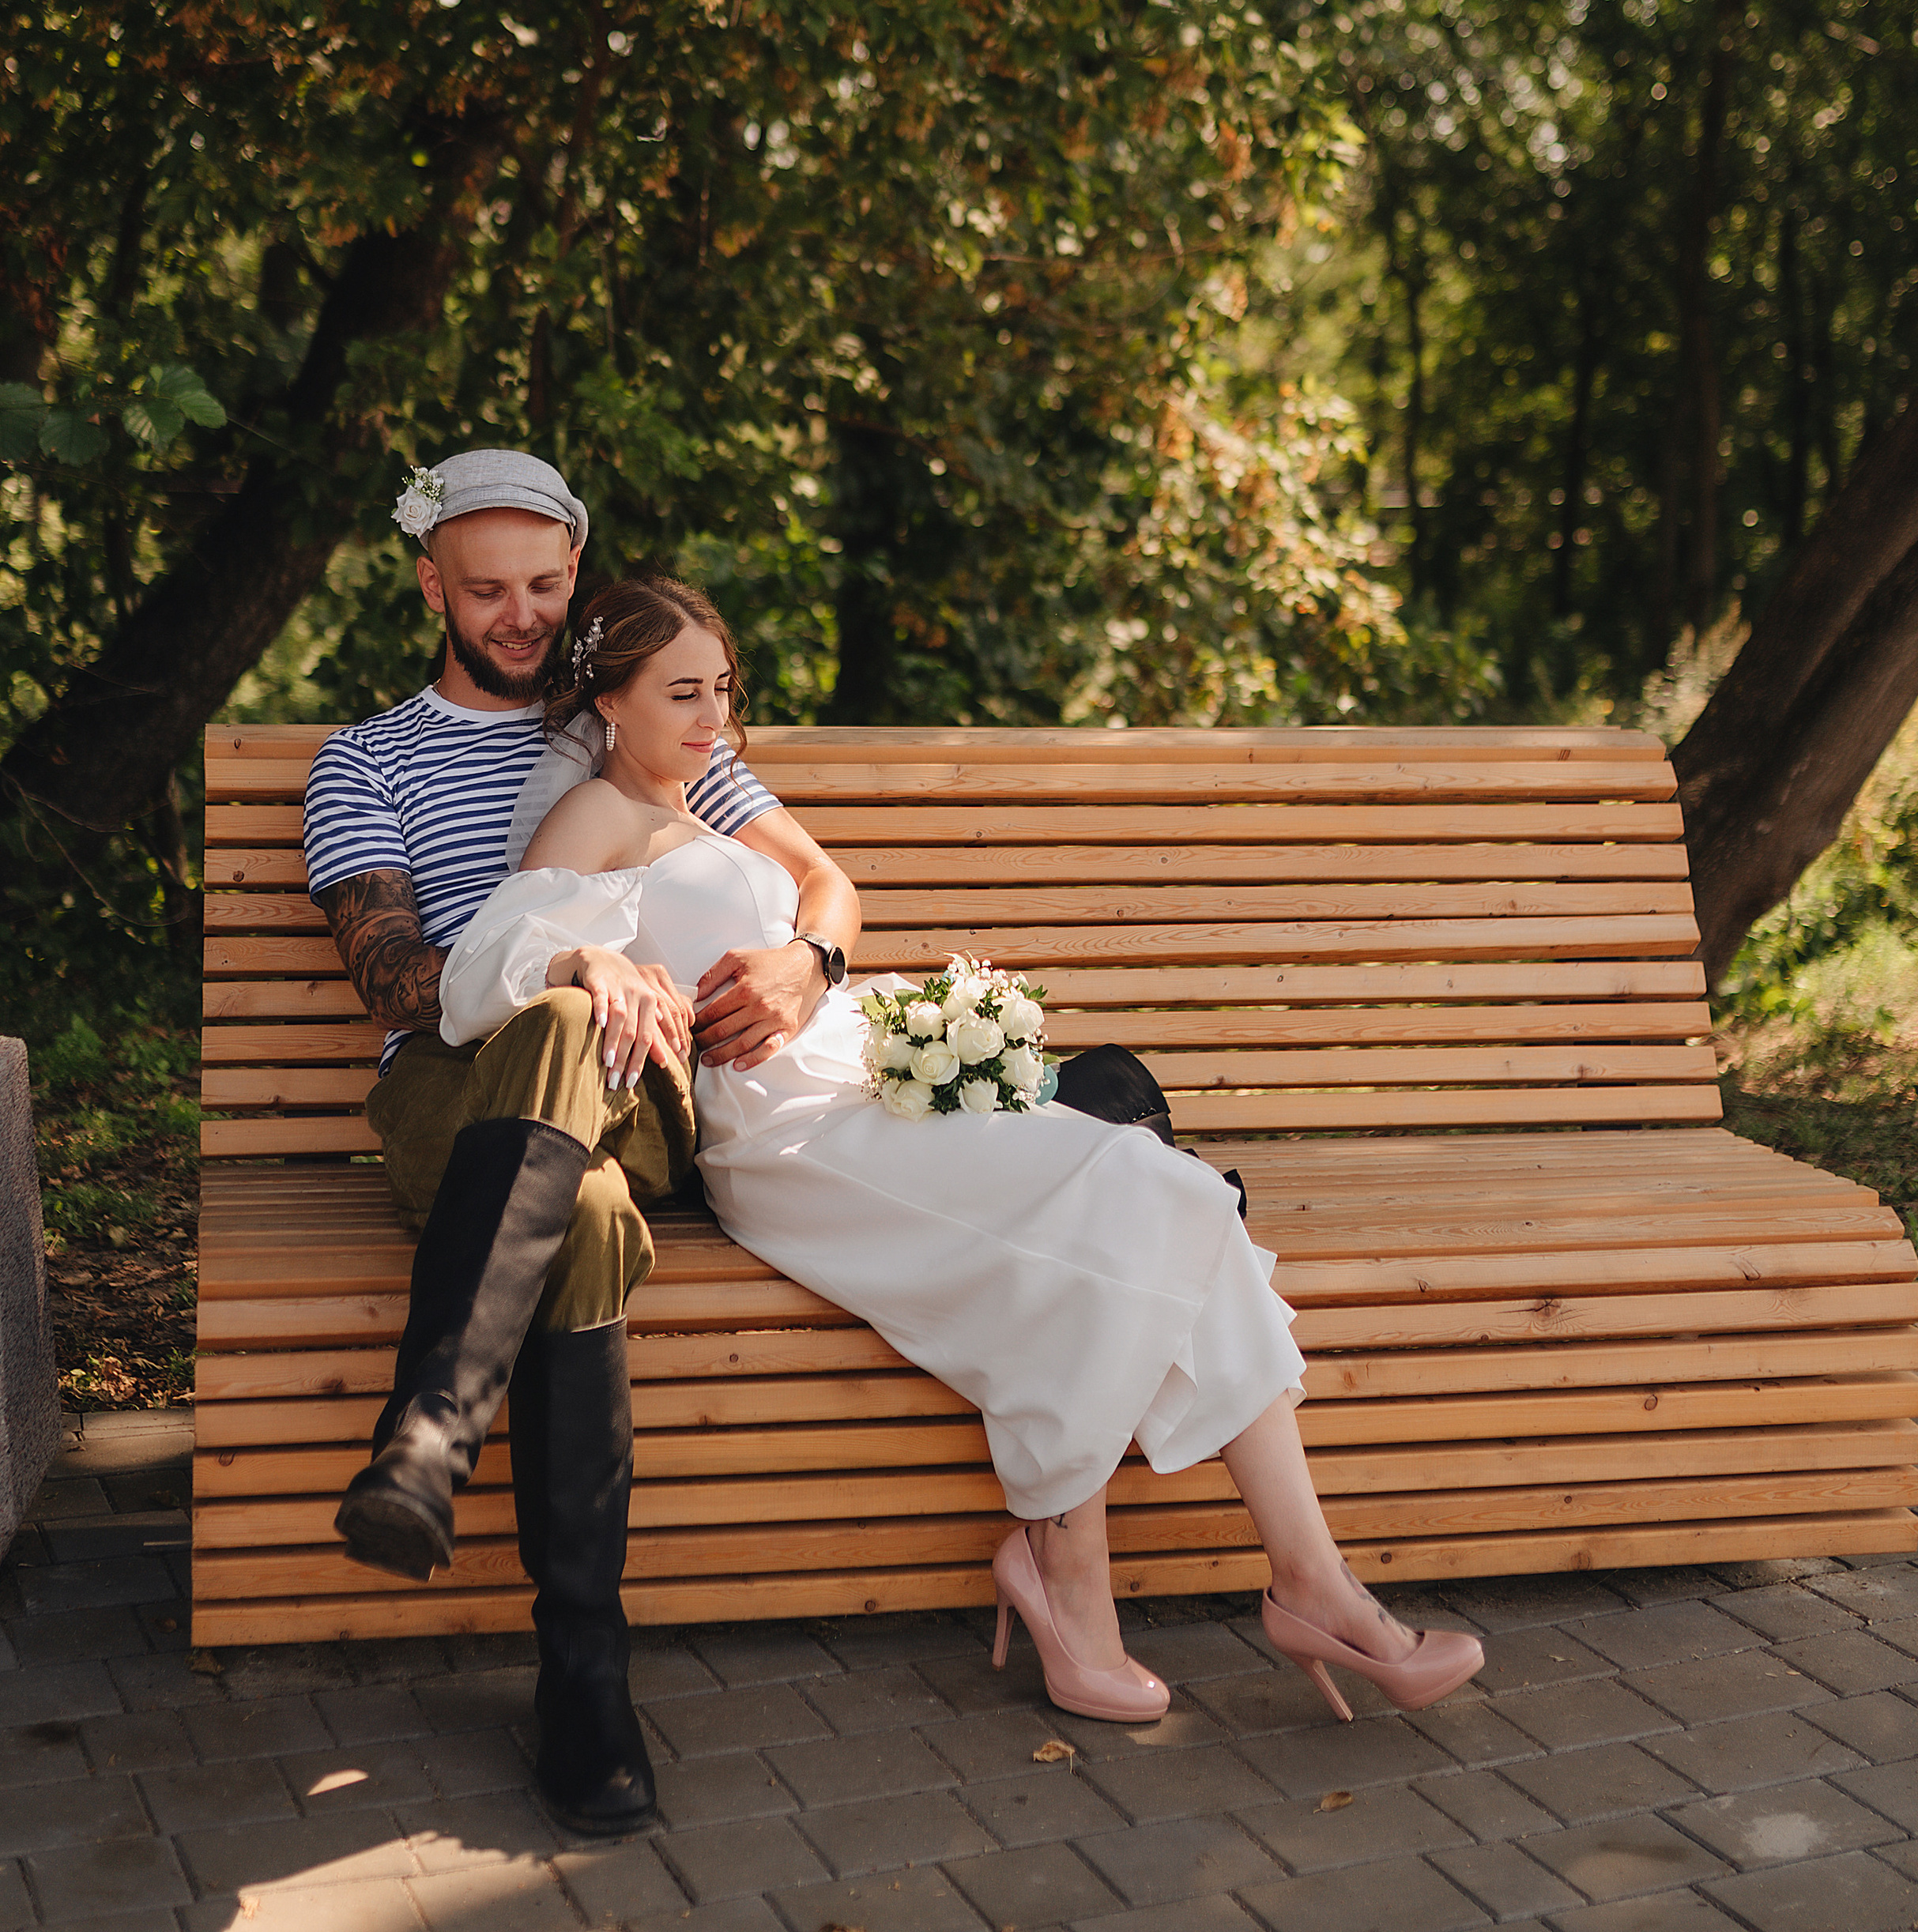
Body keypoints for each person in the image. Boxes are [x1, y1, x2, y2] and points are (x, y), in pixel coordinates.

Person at [440, 569, 1487, 1731]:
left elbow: (826, 892)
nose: (713, 717)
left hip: (861, 1075)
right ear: (609, 699)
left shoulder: (709, 800)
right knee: (1145, 1188)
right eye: (682, 693)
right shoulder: (597, 813)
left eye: (723, 690)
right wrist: (593, 964)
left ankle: (1297, 1580)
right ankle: (1116, 1579)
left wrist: (810, 963)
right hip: (783, 1126)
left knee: (1177, 1199)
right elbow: (491, 961)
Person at [302, 452, 861, 1840]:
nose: (523, 614)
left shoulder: (642, 719)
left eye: (546, 584)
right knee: (586, 1201)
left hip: (648, 1091)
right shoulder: (366, 760)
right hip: (453, 1091)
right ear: (431, 585)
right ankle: (584, 1678)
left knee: (579, 1052)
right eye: (487, 589)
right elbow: (395, 982)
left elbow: (817, 883)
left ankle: (430, 1437)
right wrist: (567, 960)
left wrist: (812, 961)